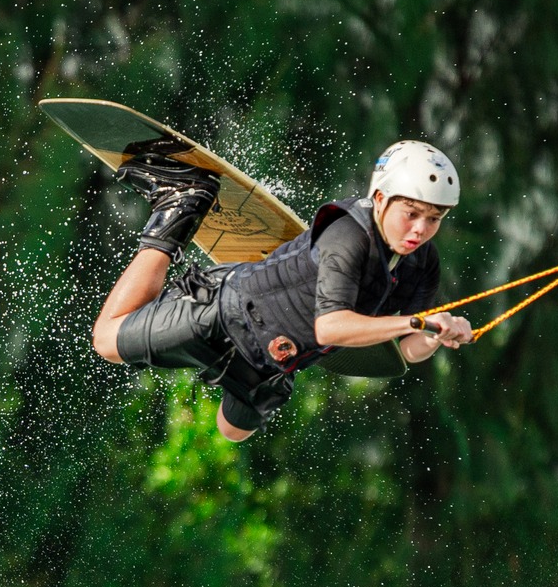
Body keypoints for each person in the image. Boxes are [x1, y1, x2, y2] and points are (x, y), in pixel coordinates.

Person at [90, 140, 474, 441]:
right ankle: (181, 203)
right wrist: (416, 320)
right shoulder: (348, 237)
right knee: (106, 341)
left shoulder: (423, 262)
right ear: (379, 199)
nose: (421, 230)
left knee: (232, 430)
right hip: (224, 314)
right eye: (411, 213)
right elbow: (331, 329)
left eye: (434, 218)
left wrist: (435, 335)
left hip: (272, 365)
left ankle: (217, 367)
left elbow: (407, 349)